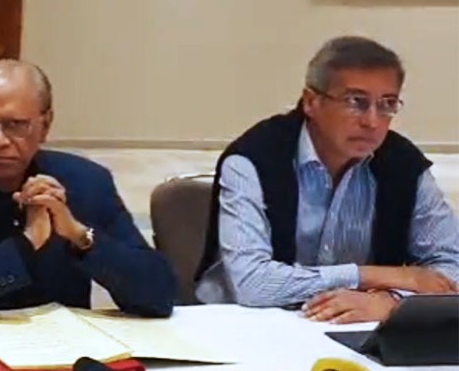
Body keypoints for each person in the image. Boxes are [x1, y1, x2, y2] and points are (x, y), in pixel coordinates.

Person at [0, 60, 176, 332]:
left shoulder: (87, 182)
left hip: (67, 351)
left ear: (45, 124)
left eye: (15, 124)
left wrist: (80, 236)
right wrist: (25, 246)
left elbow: (159, 295)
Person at [196, 35, 459, 323]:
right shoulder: (253, 159)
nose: (372, 121)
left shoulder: (403, 165)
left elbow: (452, 266)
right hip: (241, 324)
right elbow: (252, 284)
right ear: (312, 102)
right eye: (356, 102)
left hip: (348, 323)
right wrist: (374, 275)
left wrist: (392, 302)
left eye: (387, 104)